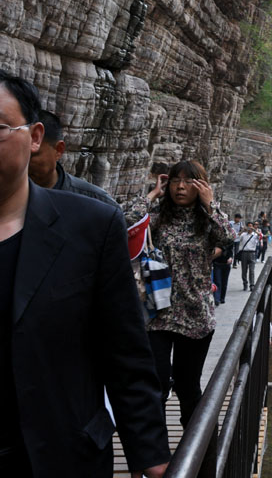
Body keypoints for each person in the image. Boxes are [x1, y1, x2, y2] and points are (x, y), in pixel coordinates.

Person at [0, 72, 170, 476]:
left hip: (61, 454)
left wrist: (153, 457)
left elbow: (124, 350)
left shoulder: (90, 225)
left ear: (36, 136)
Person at [125, 159, 236, 452]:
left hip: (195, 314)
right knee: (156, 388)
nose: (181, 187)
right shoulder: (159, 215)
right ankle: (158, 454)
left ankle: (199, 452)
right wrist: (152, 194)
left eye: (189, 181)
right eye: (175, 180)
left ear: (200, 185)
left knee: (188, 389)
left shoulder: (205, 219)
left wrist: (211, 204)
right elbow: (126, 222)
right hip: (158, 313)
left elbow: (228, 238)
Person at [27, 109, 118, 207]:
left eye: (31, 156)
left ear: (58, 150)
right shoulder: (9, 197)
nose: (21, 162)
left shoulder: (98, 204)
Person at [236, 221, 259, 291]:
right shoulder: (243, 235)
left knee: (252, 270)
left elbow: (261, 236)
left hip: (252, 253)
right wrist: (243, 230)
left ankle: (252, 285)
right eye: (248, 226)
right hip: (244, 253)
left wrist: (255, 230)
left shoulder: (255, 235)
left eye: (251, 226)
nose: (250, 228)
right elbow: (236, 237)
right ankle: (245, 283)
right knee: (244, 270)